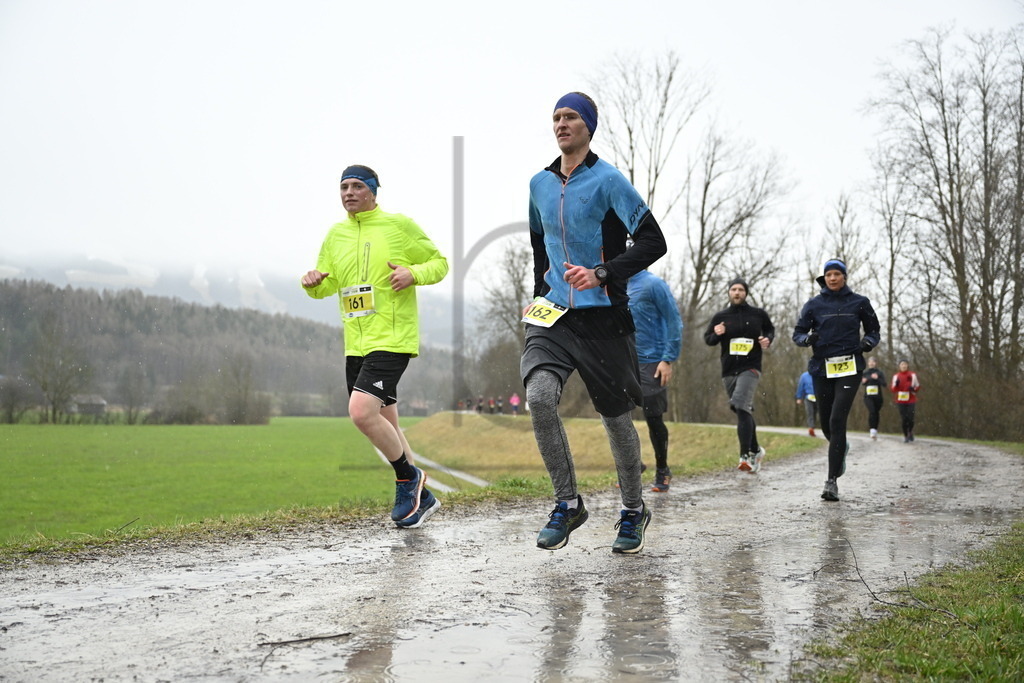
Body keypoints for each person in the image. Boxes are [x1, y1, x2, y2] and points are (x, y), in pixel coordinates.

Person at [522, 91, 667, 554]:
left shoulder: (608, 181)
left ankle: (632, 511)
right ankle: (567, 504)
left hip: (604, 316)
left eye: (571, 118)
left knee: (617, 420)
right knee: (539, 397)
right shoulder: (538, 185)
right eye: (556, 118)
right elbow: (539, 246)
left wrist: (603, 273)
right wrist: (542, 291)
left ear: (588, 126)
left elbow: (652, 241)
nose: (561, 124)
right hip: (554, 316)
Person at [301, 164, 449, 528]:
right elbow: (325, 287)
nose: (348, 193)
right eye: (343, 187)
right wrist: (312, 281)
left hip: (392, 338)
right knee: (387, 422)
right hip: (356, 343)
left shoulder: (398, 226)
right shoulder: (335, 235)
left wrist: (412, 273)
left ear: (373, 191)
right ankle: (423, 500)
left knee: (361, 412)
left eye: (356, 186)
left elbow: (439, 263)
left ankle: (407, 478)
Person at [793, 259, 881, 502]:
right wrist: (806, 340)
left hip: (850, 366)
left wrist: (867, 343)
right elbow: (798, 333)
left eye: (836, 274)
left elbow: (874, 330)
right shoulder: (814, 304)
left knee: (837, 418)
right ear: (824, 278)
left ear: (844, 276)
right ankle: (840, 447)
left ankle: (831, 482)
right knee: (826, 426)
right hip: (822, 368)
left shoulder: (859, 303)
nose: (832, 278)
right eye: (828, 274)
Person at [703, 278, 775, 473]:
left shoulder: (758, 314)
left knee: (741, 404)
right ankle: (756, 449)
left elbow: (770, 330)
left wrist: (767, 339)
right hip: (728, 370)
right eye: (733, 289)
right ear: (729, 293)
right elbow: (708, 340)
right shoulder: (721, 316)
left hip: (750, 367)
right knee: (741, 409)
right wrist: (717, 333)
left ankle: (746, 456)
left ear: (746, 293)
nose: (737, 292)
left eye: (740, 289)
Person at [627, 268, 683, 492]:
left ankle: (662, 469)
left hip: (653, 360)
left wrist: (668, 358)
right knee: (616, 416)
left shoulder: (653, 284)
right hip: (624, 360)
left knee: (653, 417)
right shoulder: (615, 284)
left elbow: (674, 320)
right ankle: (632, 465)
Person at [890, 359, 920, 442]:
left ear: (907, 365)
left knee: (911, 418)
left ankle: (910, 431)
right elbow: (893, 389)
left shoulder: (912, 375)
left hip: (911, 399)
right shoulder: (896, 376)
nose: (903, 366)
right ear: (899, 366)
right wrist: (896, 384)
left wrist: (913, 388)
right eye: (902, 364)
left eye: (905, 364)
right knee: (904, 419)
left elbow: (917, 387)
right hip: (900, 400)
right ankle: (906, 435)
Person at [861, 356, 886, 439]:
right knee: (872, 411)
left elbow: (884, 384)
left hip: (878, 397)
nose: (871, 363)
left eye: (873, 362)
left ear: (876, 363)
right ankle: (872, 430)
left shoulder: (879, 372)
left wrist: (877, 378)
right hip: (868, 397)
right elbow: (862, 382)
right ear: (868, 363)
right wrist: (863, 381)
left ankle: (875, 430)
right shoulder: (865, 373)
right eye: (870, 362)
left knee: (876, 413)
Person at [795, 370, 817, 437]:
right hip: (808, 397)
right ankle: (811, 428)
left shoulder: (818, 375)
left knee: (815, 413)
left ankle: (814, 426)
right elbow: (800, 387)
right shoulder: (804, 376)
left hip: (818, 397)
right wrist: (799, 397)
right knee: (810, 413)